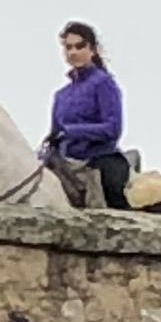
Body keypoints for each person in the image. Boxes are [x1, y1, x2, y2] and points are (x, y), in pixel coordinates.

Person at [41, 21, 132, 209]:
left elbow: (113, 128)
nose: (73, 52)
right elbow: (55, 134)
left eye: (79, 46)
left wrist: (72, 131)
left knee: (115, 198)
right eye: (68, 47)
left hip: (100, 159)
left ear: (92, 49)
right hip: (66, 163)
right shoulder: (61, 95)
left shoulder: (103, 83)